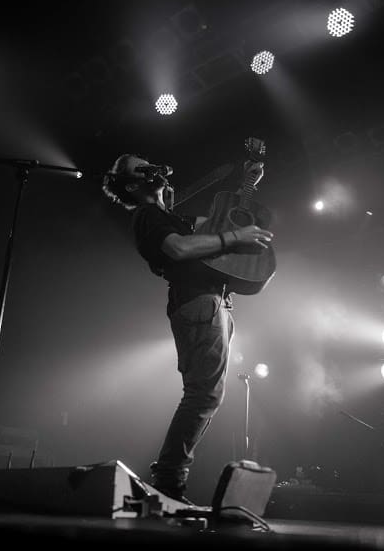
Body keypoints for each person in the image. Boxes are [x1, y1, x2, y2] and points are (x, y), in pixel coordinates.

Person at [102, 153, 273, 503]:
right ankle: (168, 479)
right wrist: (234, 236)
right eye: (141, 168)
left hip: (214, 301)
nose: (152, 167)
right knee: (203, 395)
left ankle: (170, 476)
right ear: (133, 185)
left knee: (206, 395)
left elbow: (216, 224)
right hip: (198, 303)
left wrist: (248, 186)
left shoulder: (170, 216)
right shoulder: (146, 215)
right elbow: (179, 248)